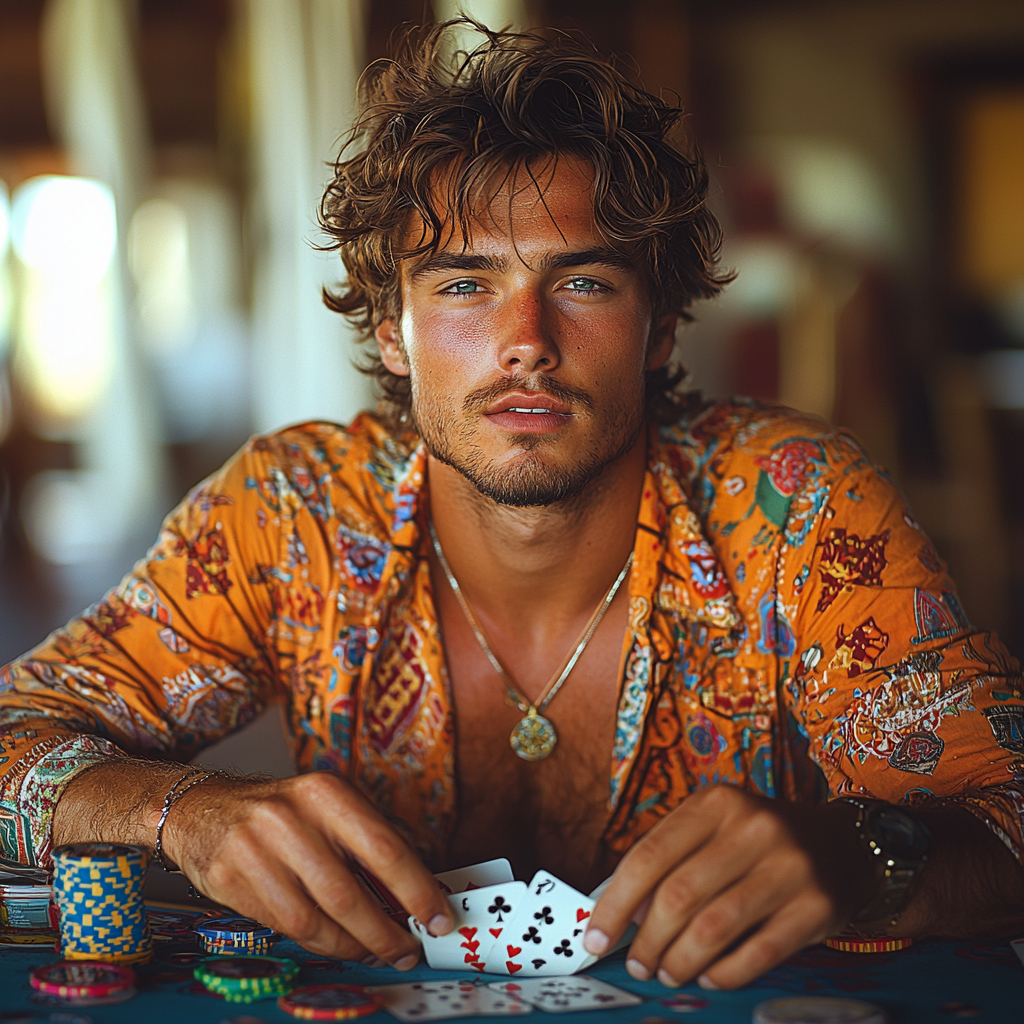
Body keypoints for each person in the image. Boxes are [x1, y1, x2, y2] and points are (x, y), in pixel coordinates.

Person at [2, 20, 1023, 991]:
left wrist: (866, 855)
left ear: (660, 326)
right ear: (392, 332)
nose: (525, 337)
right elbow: (16, 730)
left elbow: (1007, 809)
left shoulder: (794, 510)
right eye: (462, 285)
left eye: (581, 283)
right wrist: (176, 808)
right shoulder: (294, 513)